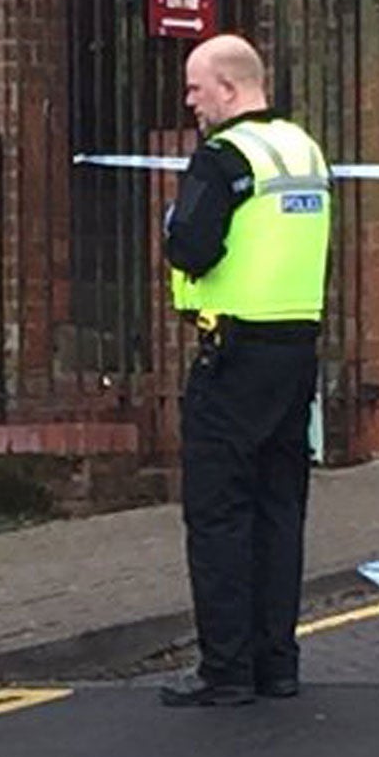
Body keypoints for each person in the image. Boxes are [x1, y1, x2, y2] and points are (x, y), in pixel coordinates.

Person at [155, 34, 332, 709]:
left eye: (196, 88)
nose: (190, 101)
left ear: (228, 89)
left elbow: (190, 246)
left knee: (219, 513)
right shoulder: (303, 150)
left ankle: (226, 670)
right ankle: (276, 663)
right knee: (280, 509)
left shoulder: (223, 156)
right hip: (297, 351)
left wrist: (175, 225)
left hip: (232, 357)